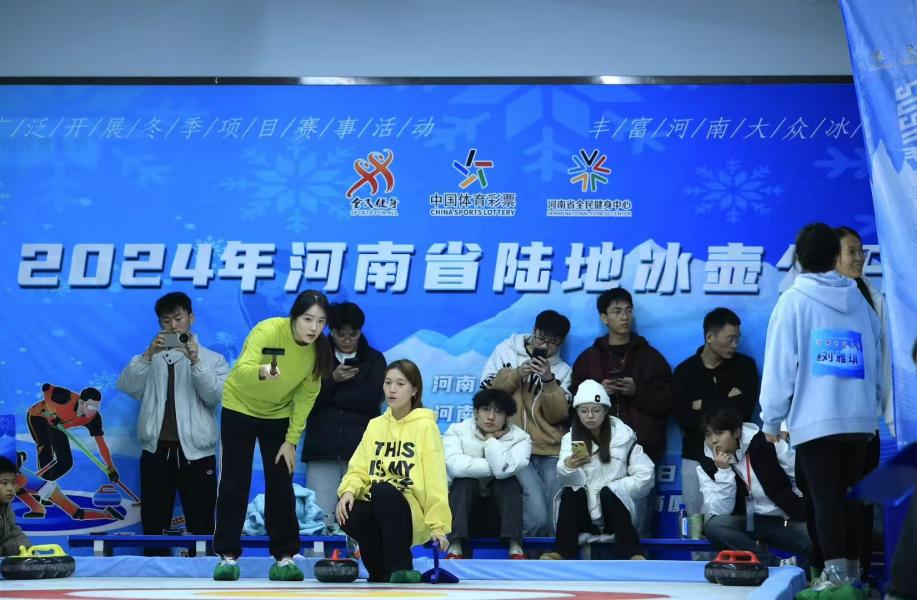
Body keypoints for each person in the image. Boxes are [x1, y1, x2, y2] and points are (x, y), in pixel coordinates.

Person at [760, 223, 881, 592]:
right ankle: (854, 579)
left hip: (816, 421)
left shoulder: (793, 301)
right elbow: (876, 357)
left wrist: (771, 419)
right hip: (859, 421)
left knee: (825, 498)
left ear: (798, 258)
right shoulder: (859, 300)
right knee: (850, 499)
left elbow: (780, 366)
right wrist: (873, 409)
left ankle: (836, 581)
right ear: (833, 257)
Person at [212, 290, 333, 582]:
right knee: (235, 480)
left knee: (281, 483)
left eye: (320, 322)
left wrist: (290, 441)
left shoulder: (318, 351)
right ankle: (227, 556)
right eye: (307, 319)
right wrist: (264, 371)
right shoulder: (267, 330)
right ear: (294, 317)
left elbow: (305, 398)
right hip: (239, 407)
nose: (313, 328)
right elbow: (239, 372)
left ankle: (284, 556)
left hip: (278, 414)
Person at [116, 292, 229, 548]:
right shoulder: (150, 358)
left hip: (197, 453)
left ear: (191, 318)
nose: (174, 326)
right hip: (155, 450)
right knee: (154, 523)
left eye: (178, 318)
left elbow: (215, 396)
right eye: (166, 321)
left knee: (202, 524)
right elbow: (128, 387)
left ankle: (205, 568)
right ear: (159, 324)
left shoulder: (213, 359)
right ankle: (153, 569)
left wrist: (195, 361)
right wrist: (147, 355)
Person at [336, 359, 451, 584]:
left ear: (414, 390)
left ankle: (402, 566)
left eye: (400, 384)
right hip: (379, 503)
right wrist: (348, 491)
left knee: (383, 491)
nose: (392, 389)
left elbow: (435, 480)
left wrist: (438, 527)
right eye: (388, 382)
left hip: (410, 513)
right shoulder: (375, 425)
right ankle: (379, 570)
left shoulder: (426, 426)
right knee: (351, 509)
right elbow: (359, 467)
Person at [571, 288, 673, 536]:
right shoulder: (588, 358)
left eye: (628, 310)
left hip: (640, 449)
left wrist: (637, 391)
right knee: (594, 517)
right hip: (596, 451)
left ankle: (639, 556)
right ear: (604, 317)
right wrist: (598, 392)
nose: (625, 317)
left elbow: (668, 401)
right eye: (617, 311)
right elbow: (572, 404)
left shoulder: (650, 357)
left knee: (640, 521)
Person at [480, 310, 572, 536]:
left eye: (552, 343)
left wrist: (549, 381)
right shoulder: (505, 351)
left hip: (550, 451)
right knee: (538, 515)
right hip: (514, 446)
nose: (545, 346)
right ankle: (522, 555)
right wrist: (517, 374)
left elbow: (558, 416)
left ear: (560, 343)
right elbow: (486, 396)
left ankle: (545, 558)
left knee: (555, 520)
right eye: (541, 338)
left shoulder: (563, 371)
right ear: (533, 331)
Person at [835, 225, 893, 583]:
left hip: (864, 422)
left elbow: (884, 361)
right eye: (851, 252)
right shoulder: (811, 299)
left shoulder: (875, 299)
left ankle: (860, 576)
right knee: (829, 502)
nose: (859, 258)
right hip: (825, 423)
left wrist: (884, 411)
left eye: (861, 251)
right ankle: (832, 575)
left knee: (861, 502)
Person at [540, 380, 653, 561]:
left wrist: (618, 488)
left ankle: (632, 553)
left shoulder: (624, 437)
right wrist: (569, 466)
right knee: (571, 492)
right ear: (577, 412)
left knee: (611, 492)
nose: (590, 416)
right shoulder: (570, 439)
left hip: (614, 513)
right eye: (584, 411)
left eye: (596, 410)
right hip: (584, 516)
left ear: (605, 410)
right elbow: (566, 478)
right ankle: (562, 551)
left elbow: (646, 474)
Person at [300, 302, 386, 533]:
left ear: (360, 331)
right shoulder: (314, 356)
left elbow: (372, 399)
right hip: (322, 449)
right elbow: (305, 400)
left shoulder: (374, 359)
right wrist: (333, 380)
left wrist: (329, 394)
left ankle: (363, 555)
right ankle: (316, 554)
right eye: (341, 334)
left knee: (359, 515)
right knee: (319, 516)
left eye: (353, 334)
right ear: (331, 330)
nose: (347, 340)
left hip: (361, 451)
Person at [697, 406, 811, 570]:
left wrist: (799, 504)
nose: (714, 440)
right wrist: (724, 472)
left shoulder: (768, 442)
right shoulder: (706, 466)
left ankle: (807, 574)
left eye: (719, 433)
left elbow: (801, 474)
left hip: (783, 520)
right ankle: (774, 564)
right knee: (715, 526)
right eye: (708, 435)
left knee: (819, 535)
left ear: (736, 432)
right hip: (745, 522)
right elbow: (721, 512)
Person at [673, 308, 758, 517]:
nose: (735, 345)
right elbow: (685, 419)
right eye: (730, 339)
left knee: (739, 522)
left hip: (738, 458)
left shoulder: (745, 367)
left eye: (737, 339)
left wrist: (702, 404)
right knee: (696, 522)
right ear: (710, 337)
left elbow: (743, 412)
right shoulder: (685, 372)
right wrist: (727, 400)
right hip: (694, 455)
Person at [443, 388, 531, 559]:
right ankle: (455, 547)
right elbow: (455, 466)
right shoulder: (457, 430)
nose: (491, 417)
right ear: (475, 412)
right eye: (485, 409)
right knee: (463, 481)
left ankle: (515, 547)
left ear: (507, 417)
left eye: (498, 412)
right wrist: (495, 467)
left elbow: (507, 471)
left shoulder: (521, 438)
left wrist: (490, 440)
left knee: (508, 482)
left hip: (501, 514)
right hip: (464, 511)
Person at [0, 455, 30, 556]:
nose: (10, 488)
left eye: (13, 483)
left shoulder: (5, 504)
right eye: (4, 483)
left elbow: (12, 533)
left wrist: (26, 550)